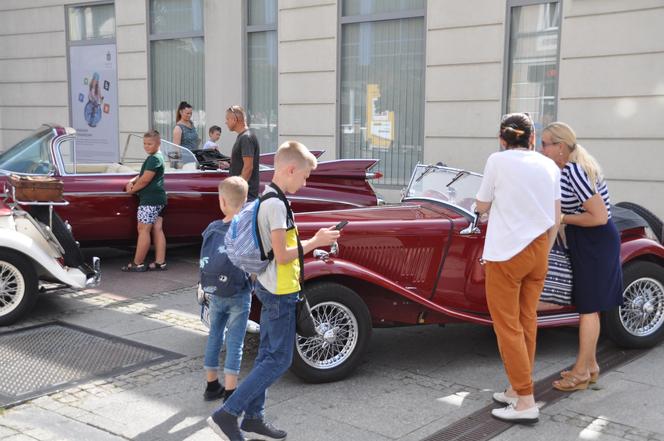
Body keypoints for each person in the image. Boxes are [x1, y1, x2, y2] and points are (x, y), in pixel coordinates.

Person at [207, 141, 341, 441]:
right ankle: (227, 414)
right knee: (279, 359)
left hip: (270, 286)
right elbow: (282, 255)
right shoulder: (277, 204)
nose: (305, 182)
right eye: (305, 176)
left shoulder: (268, 197)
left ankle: (253, 419)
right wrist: (316, 241)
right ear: (290, 169)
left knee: (268, 354)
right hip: (279, 290)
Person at [475, 113, 561, 424]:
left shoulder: (497, 161)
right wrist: (545, 251)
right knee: (527, 322)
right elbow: (556, 214)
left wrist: (481, 208)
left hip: (506, 253)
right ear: (532, 138)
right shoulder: (548, 165)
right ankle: (516, 388)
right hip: (538, 250)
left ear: (502, 139)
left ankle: (525, 400)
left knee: (507, 326)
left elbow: (482, 205)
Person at [540, 122, 623, 391]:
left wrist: (562, 217)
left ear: (560, 147)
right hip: (586, 240)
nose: (541, 149)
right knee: (589, 306)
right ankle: (591, 366)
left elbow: (599, 216)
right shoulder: (565, 169)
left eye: (545, 144)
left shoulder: (574, 171)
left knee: (589, 308)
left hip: (595, 242)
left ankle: (580, 373)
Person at [201, 177, 252, 402]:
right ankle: (231, 392)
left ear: (222, 201)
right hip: (239, 292)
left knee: (214, 334)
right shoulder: (245, 228)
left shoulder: (212, 227)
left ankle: (211, 385)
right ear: (245, 201)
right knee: (235, 341)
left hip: (215, 290)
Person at [121, 130, 168, 272]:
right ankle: (160, 262)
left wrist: (132, 190)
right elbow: (143, 175)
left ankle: (138, 263)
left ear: (158, 143)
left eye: (150, 143)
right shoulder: (157, 158)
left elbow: (145, 179)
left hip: (149, 200)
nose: (147, 146)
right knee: (157, 229)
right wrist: (132, 180)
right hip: (159, 199)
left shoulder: (153, 159)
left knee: (143, 229)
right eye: (145, 144)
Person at [226, 105, 260, 201]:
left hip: (245, 197)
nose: (226, 122)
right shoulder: (243, 136)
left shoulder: (246, 138)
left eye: (227, 119)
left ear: (234, 120)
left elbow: (248, 167)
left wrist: (237, 191)